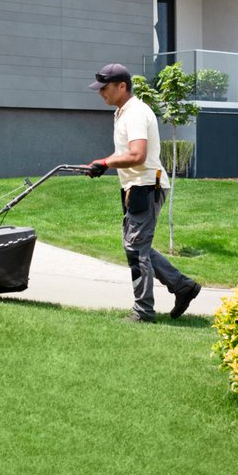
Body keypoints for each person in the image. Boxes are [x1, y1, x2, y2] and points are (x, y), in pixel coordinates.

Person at [86, 63, 203, 323]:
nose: (101, 93)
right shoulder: (122, 113)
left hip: (147, 186)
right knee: (138, 247)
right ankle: (182, 286)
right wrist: (102, 165)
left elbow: (138, 155)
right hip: (137, 186)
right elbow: (126, 154)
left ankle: (143, 311)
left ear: (122, 86)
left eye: (105, 88)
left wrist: (106, 163)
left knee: (135, 250)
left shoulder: (136, 112)